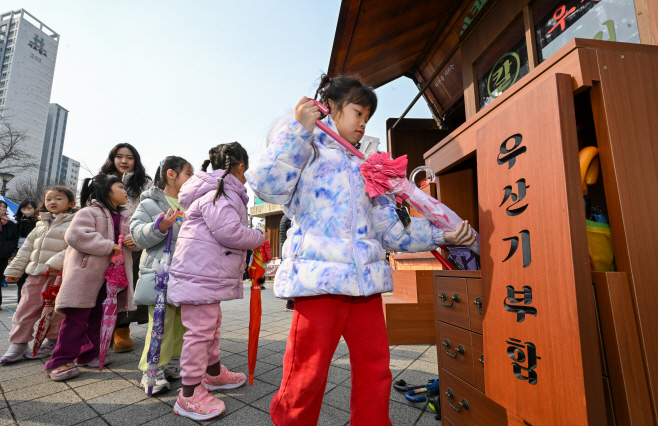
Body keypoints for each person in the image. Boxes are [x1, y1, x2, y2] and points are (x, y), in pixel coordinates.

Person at [246, 74, 476, 425]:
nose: (363, 123)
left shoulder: (369, 165)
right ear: (332, 108)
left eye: (367, 117)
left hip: (365, 285)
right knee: (306, 374)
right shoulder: (306, 147)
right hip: (318, 283)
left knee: (375, 369)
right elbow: (266, 185)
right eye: (357, 112)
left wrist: (442, 235)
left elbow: (389, 231)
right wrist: (298, 129)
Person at [167, 142, 265, 420]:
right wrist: (259, 237)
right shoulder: (218, 194)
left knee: (210, 327)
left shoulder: (218, 192)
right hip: (199, 275)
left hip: (203, 274)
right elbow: (230, 233)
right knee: (200, 331)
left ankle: (212, 374)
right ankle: (188, 394)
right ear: (241, 166)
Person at [44, 175, 136, 381]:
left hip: (111, 277)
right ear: (105, 190)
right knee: (76, 319)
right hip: (85, 276)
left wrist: (134, 242)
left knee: (100, 318)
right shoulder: (88, 212)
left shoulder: (126, 216)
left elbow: (133, 238)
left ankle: (88, 354)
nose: (125, 191)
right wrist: (106, 245)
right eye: (120, 187)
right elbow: (75, 235)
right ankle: (59, 361)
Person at [130, 156, 193, 395]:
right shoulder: (150, 202)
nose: (191, 178)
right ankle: (152, 369)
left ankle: (173, 363)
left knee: (181, 322)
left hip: (186, 274)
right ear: (170, 174)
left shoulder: (190, 204)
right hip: (160, 273)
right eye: (188, 173)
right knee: (160, 322)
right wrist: (159, 227)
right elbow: (137, 235)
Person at [0, 188, 76, 364]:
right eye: (48, 199)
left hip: (58, 275)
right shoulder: (40, 224)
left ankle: (52, 341)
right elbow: (26, 250)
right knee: (25, 308)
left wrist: (55, 263)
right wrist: (14, 271)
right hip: (35, 274)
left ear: (71, 204)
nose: (53, 202)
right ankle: (18, 343)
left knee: (56, 312)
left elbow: (73, 247)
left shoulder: (75, 223)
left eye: (58, 198)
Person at [100, 143, 151, 352]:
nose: (123, 161)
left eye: (129, 157)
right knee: (102, 284)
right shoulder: (100, 180)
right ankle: (101, 327)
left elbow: (151, 211)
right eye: (119, 156)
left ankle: (122, 329)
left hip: (133, 242)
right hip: (105, 241)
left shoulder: (145, 183)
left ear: (135, 160)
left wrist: (139, 237)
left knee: (129, 284)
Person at [14, 200, 39, 304]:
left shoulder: (38, 223)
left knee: (32, 278)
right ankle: (20, 301)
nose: (26, 211)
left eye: (29, 208)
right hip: (20, 252)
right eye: (24, 208)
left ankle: (29, 302)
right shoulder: (18, 222)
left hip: (34, 253)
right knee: (21, 278)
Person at [0, 200, 18, 310]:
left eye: (3, 207)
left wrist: (6, 251)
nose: (1, 208)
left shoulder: (10, 224)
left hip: (2, 256)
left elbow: (13, 240)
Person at [278, 215, 293, 311]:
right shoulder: (289, 218)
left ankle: (290, 303)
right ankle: (290, 303)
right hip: (290, 250)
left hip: (286, 249)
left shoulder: (284, 217)